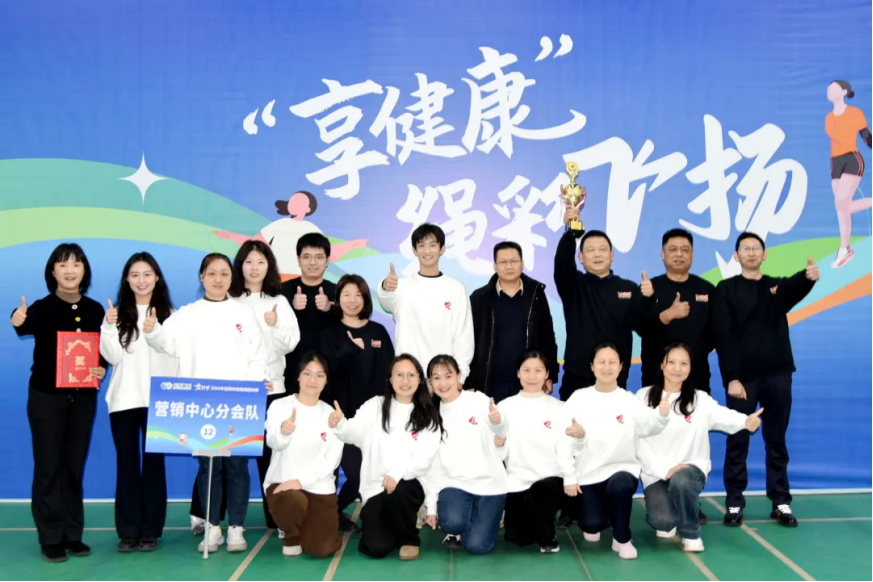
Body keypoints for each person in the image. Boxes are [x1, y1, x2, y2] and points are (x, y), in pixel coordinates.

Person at [145, 253, 270, 553]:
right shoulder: (186, 314)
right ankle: (212, 528)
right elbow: (166, 344)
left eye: (224, 273)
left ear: (231, 277)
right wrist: (153, 330)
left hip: (238, 403)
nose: (218, 279)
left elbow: (257, 355)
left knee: (237, 467)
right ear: (202, 277)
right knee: (208, 468)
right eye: (212, 273)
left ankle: (236, 528)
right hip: (200, 403)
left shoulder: (243, 313)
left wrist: (254, 387)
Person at [713, 232, 819, 527]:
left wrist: (809, 277)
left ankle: (781, 501)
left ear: (764, 254)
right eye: (745, 248)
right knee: (738, 439)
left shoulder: (776, 287)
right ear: (736, 255)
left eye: (756, 248)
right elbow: (723, 336)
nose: (751, 252)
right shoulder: (726, 289)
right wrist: (732, 378)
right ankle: (734, 502)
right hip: (742, 380)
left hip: (778, 375)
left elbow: (795, 286)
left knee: (777, 441)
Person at [10, 243, 107, 563]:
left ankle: (72, 534)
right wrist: (17, 317)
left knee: (73, 467)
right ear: (52, 271)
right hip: (46, 400)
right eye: (62, 264)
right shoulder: (42, 307)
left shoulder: (95, 310)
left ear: (84, 270)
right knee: (48, 468)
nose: (69, 270)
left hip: (82, 400)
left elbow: (103, 351)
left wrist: (101, 367)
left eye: (76, 264)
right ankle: (50, 537)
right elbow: (24, 324)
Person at [637, 343, 763, 552]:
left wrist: (745, 421)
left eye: (683, 363)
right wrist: (663, 471)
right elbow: (636, 441)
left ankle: (691, 533)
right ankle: (676, 510)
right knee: (662, 522)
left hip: (690, 469)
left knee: (682, 479)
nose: (677, 368)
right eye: (671, 362)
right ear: (662, 365)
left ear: (690, 367)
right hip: (656, 473)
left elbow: (723, 416)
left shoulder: (699, 399)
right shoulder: (643, 397)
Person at [559, 343, 670, 560]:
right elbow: (562, 440)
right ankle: (601, 513)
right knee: (591, 525)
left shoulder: (629, 400)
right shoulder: (579, 398)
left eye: (612, 362)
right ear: (592, 366)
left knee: (621, 485)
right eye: (601, 362)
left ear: (621, 367)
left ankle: (622, 538)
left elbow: (650, 426)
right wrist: (569, 476)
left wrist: (662, 416)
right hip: (588, 474)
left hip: (622, 469)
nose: (607, 367)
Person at [100, 252, 177, 553]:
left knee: (154, 466)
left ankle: (151, 531)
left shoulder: (172, 315)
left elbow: (174, 355)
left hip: (159, 400)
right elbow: (112, 356)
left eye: (147, 274)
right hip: (124, 400)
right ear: (127, 280)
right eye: (135, 275)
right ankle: (128, 532)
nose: (141, 280)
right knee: (127, 465)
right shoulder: (116, 314)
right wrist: (109, 327)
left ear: (157, 277)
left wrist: (156, 329)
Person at [329, 355, 441, 561]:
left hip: (409, 483)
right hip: (376, 486)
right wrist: (340, 425)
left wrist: (397, 474)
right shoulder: (375, 405)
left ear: (419, 379)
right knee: (376, 547)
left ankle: (409, 538)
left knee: (401, 491)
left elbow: (424, 460)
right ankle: (394, 524)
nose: (405, 380)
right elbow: (354, 432)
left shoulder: (428, 414)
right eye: (399, 375)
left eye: (411, 375)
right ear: (390, 379)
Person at [230, 240, 300, 532]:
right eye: (248, 261)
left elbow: (291, 343)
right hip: (236, 392)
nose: (254, 268)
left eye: (261, 261)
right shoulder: (229, 300)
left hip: (272, 389)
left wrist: (275, 325)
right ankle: (225, 520)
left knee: (272, 456)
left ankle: (277, 517)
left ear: (269, 266)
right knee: (232, 459)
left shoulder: (278, 301)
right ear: (240, 266)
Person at [319, 274, 395, 534]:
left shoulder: (378, 331)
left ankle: (335, 513)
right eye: (346, 294)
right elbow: (326, 372)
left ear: (366, 299)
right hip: (338, 418)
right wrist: (350, 350)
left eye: (358, 294)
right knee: (355, 472)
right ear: (337, 299)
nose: (352, 300)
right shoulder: (329, 333)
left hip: (372, 418)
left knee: (370, 471)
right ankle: (331, 513)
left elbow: (390, 374)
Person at [554, 205, 653, 398]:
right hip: (577, 379)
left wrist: (648, 300)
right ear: (581, 257)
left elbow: (644, 327)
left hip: (614, 378)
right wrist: (570, 232)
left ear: (612, 255)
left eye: (602, 250)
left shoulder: (629, 288)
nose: (597, 255)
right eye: (590, 250)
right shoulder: (574, 285)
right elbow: (562, 265)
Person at [424, 355, 508, 556]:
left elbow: (501, 441)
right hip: (455, 483)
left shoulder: (479, 400)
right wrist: (431, 508)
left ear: (458, 376)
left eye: (448, 376)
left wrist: (498, 425)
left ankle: (488, 516)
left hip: (490, 484)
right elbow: (433, 467)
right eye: (436, 378)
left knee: (477, 546)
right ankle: (462, 521)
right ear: (429, 381)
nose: (443, 383)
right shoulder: (431, 415)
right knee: (452, 522)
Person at [264, 353, 344, 558]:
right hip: (283, 484)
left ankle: (308, 527)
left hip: (318, 486)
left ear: (326, 381)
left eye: (319, 375)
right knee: (291, 500)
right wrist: (283, 432)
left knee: (324, 549)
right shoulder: (279, 406)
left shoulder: (331, 415)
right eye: (307, 373)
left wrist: (301, 482)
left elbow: (332, 461)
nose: (312, 380)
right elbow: (273, 442)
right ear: (298, 376)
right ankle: (291, 535)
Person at [378, 223, 474, 383]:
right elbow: (386, 302)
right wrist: (386, 287)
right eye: (422, 245)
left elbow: (464, 337)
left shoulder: (456, 288)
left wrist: (460, 377)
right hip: (409, 379)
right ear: (414, 250)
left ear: (442, 249)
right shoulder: (403, 286)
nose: (427, 251)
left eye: (433, 245)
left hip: (443, 380)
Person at [468, 242, 559, 402]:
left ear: (522, 264)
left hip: (528, 380)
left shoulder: (536, 295)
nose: (509, 266)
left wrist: (550, 375)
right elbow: (469, 341)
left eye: (514, 261)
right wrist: (470, 382)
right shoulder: (479, 297)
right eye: (503, 262)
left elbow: (547, 337)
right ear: (495, 266)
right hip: (490, 382)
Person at [495, 351, 565, 554]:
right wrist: (499, 443)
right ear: (518, 373)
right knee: (517, 538)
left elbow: (568, 450)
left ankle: (548, 534)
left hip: (551, 481)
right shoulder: (504, 407)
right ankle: (536, 519)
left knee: (541, 493)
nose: (532, 376)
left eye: (538, 370)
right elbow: (500, 454)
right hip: (517, 481)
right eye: (526, 370)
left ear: (547, 374)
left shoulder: (559, 408)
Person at [279, 233, 337, 399]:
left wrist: (331, 308)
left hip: (328, 374)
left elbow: (351, 323)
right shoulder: (282, 290)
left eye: (319, 257)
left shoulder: (338, 291)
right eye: (307, 257)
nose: (312, 262)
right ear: (298, 260)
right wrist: (290, 307)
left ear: (327, 261)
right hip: (289, 372)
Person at [825, 80, 872, 268]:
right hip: (835, 162)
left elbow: (867, 137)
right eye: (829, 88)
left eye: (834, 88)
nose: (830, 90)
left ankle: (844, 249)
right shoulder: (828, 118)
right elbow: (836, 138)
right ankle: (846, 249)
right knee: (843, 207)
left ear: (844, 92)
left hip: (852, 159)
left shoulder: (855, 113)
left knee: (840, 202)